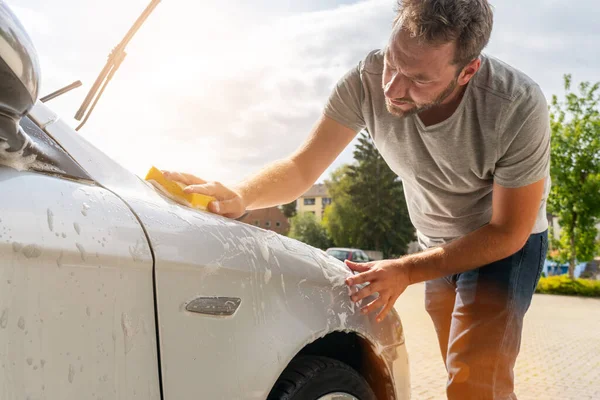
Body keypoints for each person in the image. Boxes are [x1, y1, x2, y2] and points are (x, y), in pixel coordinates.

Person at [165, 0, 550, 398]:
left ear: (468, 70)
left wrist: (405, 270)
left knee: (474, 383)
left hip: (503, 247)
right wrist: (241, 194)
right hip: (435, 242)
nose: (393, 88)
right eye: (393, 62)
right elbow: (301, 168)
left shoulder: (516, 105)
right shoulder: (366, 78)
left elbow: (508, 231)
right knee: (464, 376)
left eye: (419, 80)